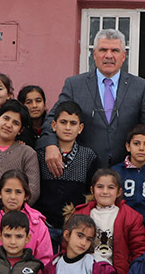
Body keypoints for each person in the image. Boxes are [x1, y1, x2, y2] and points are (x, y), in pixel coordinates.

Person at [39, 28, 145, 190]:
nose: (108, 55)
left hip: (127, 176)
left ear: (123, 56)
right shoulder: (74, 85)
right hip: (84, 175)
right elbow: (52, 119)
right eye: (103, 50)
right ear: (94, 54)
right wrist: (50, 145)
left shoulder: (140, 87)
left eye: (115, 50)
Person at [34, 101, 100, 242]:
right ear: (54, 125)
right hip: (45, 225)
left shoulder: (88, 156)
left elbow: (91, 193)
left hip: (75, 228)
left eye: (73, 123)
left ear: (80, 128)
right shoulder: (41, 155)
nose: (68, 127)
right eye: (63, 122)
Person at [73, 169, 145, 274]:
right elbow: (69, 247)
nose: (105, 191)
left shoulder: (131, 217)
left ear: (119, 192)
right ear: (92, 190)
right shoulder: (80, 214)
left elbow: (139, 252)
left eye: (111, 187)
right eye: (100, 187)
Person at [0, 169, 53, 264]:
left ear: (26, 195)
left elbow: (45, 261)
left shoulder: (37, 224)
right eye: (8, 191)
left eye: (18, 192)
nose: (13, 197)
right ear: (0, 193)